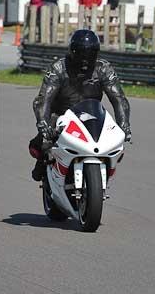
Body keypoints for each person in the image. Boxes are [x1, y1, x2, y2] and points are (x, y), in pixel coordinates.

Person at [29, 29, 131, 182]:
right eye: (81, 53)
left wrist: (124, 124)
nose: (85, 59)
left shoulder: (104, 68)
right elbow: (44, 99)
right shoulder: (58, 68)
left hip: (92, 115)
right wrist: (42, 122)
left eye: (90, 54)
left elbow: (119, 98)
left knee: (114, 142)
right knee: (42, 143)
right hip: (61, 115)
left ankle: (101, 173)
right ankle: (43, 164)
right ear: (72, 51)